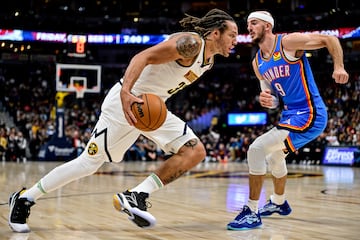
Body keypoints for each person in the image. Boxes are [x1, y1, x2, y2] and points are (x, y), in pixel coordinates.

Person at [9, 8, 238, 233]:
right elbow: (143, 57)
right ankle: (24, 199)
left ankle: (136, 195)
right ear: (215, 33)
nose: (235, 41)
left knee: (194, 151)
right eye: (232, 35)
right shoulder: (191, 43)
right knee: (88, 164)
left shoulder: (208, 62)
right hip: (126, 102)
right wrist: (126, 92)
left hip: (151, 108)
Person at [227, 10, 349, 230]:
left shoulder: (288, 42)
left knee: (256, 149)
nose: (249, 27)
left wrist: (338, 66)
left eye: (254, 23)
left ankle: (252, 211)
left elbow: (330, 39)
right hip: (289, 114)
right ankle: (279, 203)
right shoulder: (257, 63)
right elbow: (271, 97)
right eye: (248, 24)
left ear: (268, 26)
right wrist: (267, 99)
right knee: (274, 156)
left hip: (310, 113)